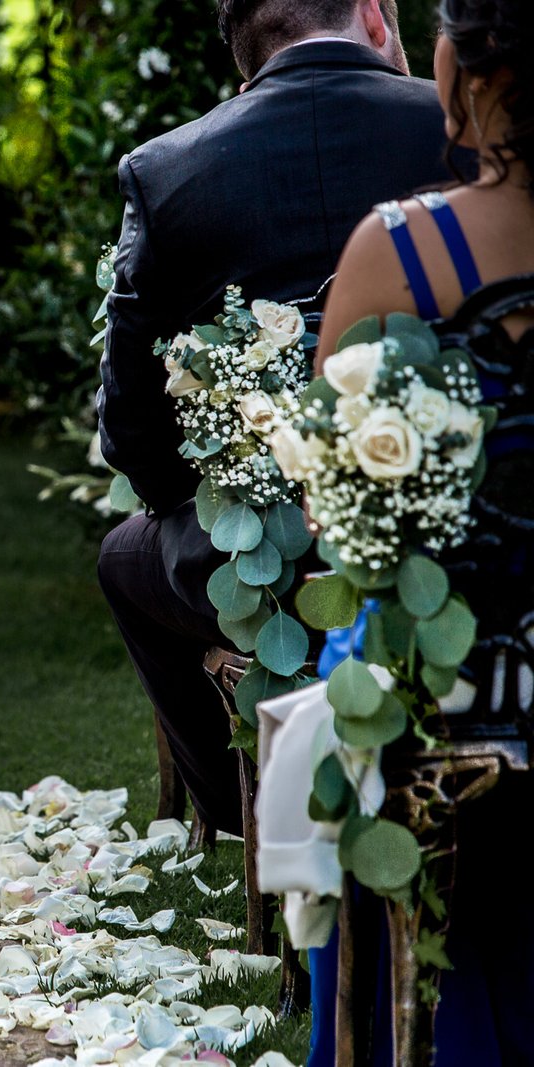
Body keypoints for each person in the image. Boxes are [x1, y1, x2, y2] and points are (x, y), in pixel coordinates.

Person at [95, 0, 459, 836]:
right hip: (445, 522)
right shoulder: (457, 130)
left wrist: (228, 492)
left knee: (124, 559)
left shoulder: (168, 169)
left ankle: (248, 805)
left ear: (243, 60)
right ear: (373, 13)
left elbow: (134, 433)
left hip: (263, 552)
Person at [284, 1, 534, 1061]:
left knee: (340, 694)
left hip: (453, 672)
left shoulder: (399, 248)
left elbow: (324, 499)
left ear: (453, 68)